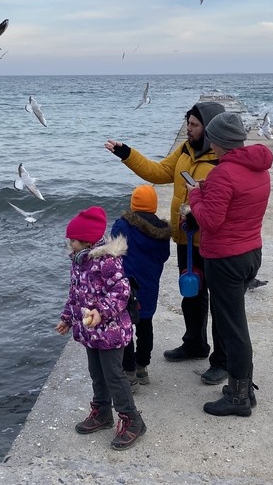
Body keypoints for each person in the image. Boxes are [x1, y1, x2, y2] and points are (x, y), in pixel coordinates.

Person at [105, 101, 233, 386]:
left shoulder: (223, 160)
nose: (188, 129)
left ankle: (222, 361)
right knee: (192, 294)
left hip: (213, 242)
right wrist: (127, 154)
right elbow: (158, 172)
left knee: (220, 304)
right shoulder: (185, 151)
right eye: (188, 123)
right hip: (187, 239)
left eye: (194, 125)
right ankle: (195, 344)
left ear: (210, 128)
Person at [185, 112, 273, 417]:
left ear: (218, 141)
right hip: (251, 253)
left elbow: (210, 220)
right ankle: (243, 386)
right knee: (235, 323)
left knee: (232, 327)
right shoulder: (257, 168)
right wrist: (208, 190)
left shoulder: (224, 173)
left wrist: (195, 196)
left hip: (225, 259)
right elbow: (238, 202)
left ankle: (239, 397)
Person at [55, 206, 147, 450]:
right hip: (90, 332)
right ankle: (102, 412)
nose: (70, 243)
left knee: (114, 376)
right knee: (96, 373)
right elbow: (75, 294)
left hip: (111, 330)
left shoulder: (107, 262)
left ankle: (133, 420)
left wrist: (101, 312)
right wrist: (67, 317)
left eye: (73, 240)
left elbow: (121, 292)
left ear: (86, 241)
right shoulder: (78, 262)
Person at [110, 184, 171, 387]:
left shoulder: (122, 225)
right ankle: (142, 368)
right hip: (150, 285)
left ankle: (128, 373)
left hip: (127, 285)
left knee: (125, 327)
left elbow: (114, 251)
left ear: (133, 204)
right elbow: (164, 256)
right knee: (146, 325)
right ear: (154, 205)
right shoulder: (162, 231)